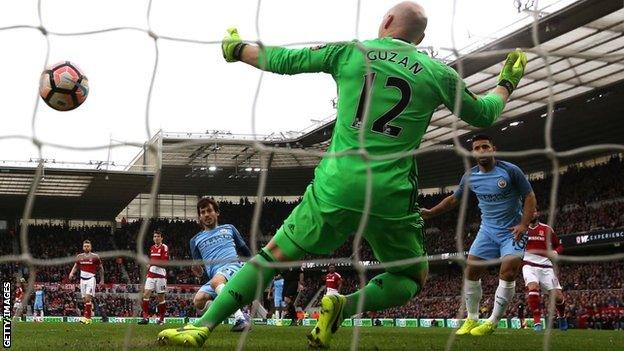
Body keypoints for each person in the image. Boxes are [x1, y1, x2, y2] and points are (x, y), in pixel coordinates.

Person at [157, 1, 527, 347]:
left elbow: (286, 59)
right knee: (412, 278)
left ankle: (201, 327)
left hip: (337, 183)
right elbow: (486, 114)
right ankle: (345, 307)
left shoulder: (352, 51)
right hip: (390, 192)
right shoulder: (438, 74)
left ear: (385, 23)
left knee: (270, 258)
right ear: (421, 40)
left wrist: (236, 50)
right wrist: (506, 83)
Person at [422, 135, 536, 336]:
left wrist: (524, 225)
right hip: (487, 230)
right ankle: (472, 318)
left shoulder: (510, 171)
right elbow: (453, 200)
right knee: (471, 270)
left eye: (485, 146)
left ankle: (492, 321)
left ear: (493, 149)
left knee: (508, 271)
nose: (481, 150)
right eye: (477, 148)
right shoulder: (470, 176)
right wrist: (431, 212)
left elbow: (529, 196)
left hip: (512, 231)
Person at [188, 197, 252, 332]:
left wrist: (254, 267)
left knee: (216, 282)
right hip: (215, 278)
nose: (206, 214)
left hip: (233, 268)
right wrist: (198, 272)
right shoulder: (195, 240)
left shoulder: (229, 228)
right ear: (199, 217)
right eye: (203, 212)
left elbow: (245, 251)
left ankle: (241, 318)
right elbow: (199, 269)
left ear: (217, 212)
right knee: (198, 301)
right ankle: (227, 308)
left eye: (209, 210)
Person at [523, 208, 567, 331]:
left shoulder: (547, 229)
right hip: (529, 264)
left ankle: (562, 316)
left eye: (534, 211)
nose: (532, 213)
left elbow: (559, 246)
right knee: (533, 287)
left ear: (538, 213)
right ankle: (537, 322)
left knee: (557, 297)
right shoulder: (523, 229)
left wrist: (555, 252)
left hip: (546, 266)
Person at [68, 239, 104, 324]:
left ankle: (87, 318)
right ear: (83, 247)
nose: (86, 247)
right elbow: (76, 266)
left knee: (88, 298)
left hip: (91, 279)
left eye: (88, 246)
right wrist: (71, 273)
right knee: (84, 300)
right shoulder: (79, 256)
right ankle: (88, 317)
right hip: (82, 280)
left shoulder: (95, 257)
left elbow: (101, 268)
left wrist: (102, 279)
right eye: (85, 246)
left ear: (90, 247)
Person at [139, 229, 169, 325]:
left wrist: (151, 263)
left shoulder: (164, 247)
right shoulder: (152, 248)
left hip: (160, 276)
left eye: (158, 236)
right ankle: (145, 318)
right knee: (145, 294)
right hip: (151, 275)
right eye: (154, 236)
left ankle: (161, 319)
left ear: (161, 238)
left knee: (161, 298)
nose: (156, 238)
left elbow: (164, 262)